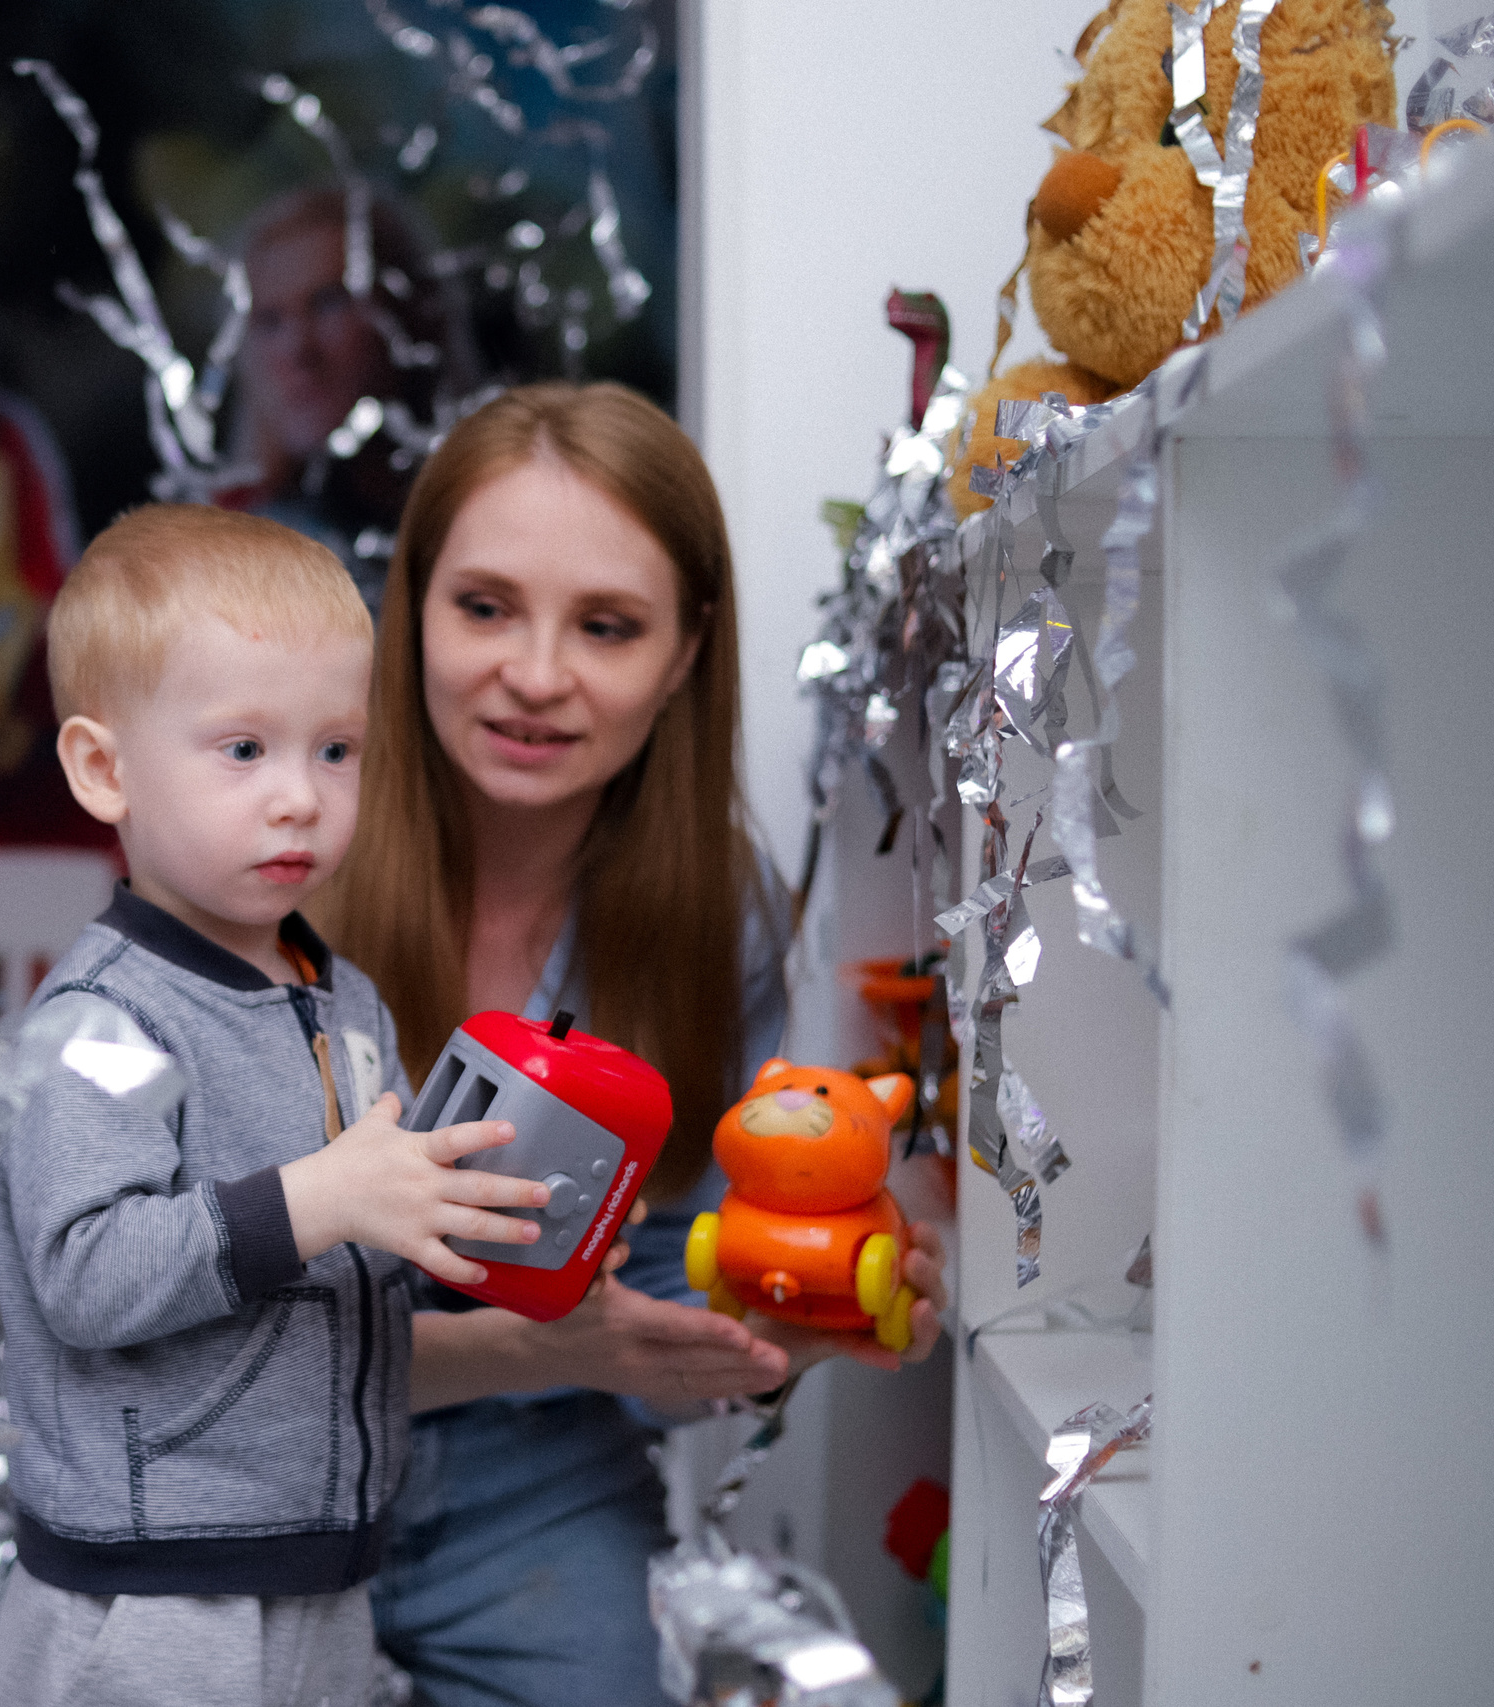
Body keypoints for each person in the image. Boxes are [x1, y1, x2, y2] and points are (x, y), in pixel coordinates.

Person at [317, 381, 951, 1706]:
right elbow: (207, 1338)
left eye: (606, 626)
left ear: (681, 655)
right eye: (484, 605)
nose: (536, 674)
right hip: (259, 1470)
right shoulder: (278, 855)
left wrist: (787, 1317)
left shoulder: (711, 912)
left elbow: (650, 1321)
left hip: (531, 1487)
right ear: (411, 607)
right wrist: (550, 1346)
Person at [0, 505, 556, 1707]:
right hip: (150, 1596)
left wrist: (468, 1235)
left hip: (319, 1571)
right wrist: (321, 1197)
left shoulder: (339, 996)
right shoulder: (101, 1022)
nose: (299, 796)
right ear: (104, 770)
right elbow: (85, 1274)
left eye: (334, 750)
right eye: (242, 750)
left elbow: (362, 1256)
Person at [230, 184, 474, 614]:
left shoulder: (500, 511)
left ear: (410, 316)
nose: (298, 350)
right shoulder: (234, 571)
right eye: (270, 321)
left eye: (329, 303)